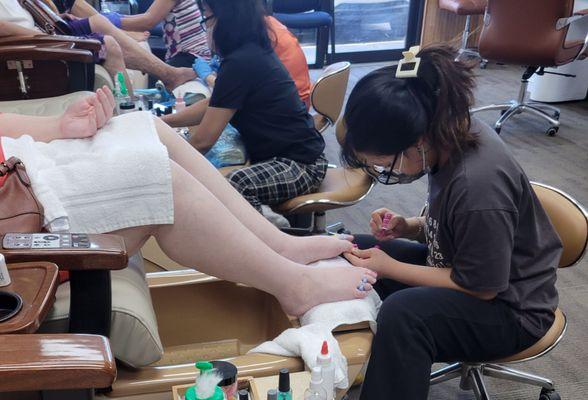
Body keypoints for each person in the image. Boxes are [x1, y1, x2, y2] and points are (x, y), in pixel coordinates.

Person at [0, 88, 377, 317]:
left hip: (16, 162)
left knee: (148, 125)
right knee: (161, 180)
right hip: (15, 217)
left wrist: (59, 128)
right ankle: (295, 286)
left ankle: (278, 244)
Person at [339, 45, 562, 399]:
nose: (383, 170)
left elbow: (481, 286)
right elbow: (451, 222)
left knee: (404, 315)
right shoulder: (449, 133)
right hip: (470, 270)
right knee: (358, 248)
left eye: (383, 160)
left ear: (419, 140)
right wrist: (410, 225)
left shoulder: (478, 185)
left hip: (512, 309)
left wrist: (392, 266)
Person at [162, 0, 326, 212]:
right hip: (301, 157)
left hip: (301, 166)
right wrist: (163, 122)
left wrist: (165, 167)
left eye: (207, 18)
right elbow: (215, 104)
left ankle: (266, 240)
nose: (207, 27)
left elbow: (203, 141)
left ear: (226, 19)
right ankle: (265, 225)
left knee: (235, 183)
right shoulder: (250, 53)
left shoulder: (241, 63)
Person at [0, 0, 196, 92]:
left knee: (98, 21)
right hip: (29, 45)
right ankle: (128, 112)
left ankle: (169, 74)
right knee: (107, 45)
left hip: (42, 31)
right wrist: (41, 35)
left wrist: (54, 18)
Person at [193, 14, 311, 109]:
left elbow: (231, 90)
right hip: (294, 99)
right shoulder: (263, 23)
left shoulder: (252, 40)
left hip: (287, 105)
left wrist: (208, 76)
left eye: (207, 17)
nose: (206, 24)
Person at [107, 0, 211, 68]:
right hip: (198, 55)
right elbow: (147, 16)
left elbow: (148, 21)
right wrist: (113, 18)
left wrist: (109, 20)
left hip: (192, 57)